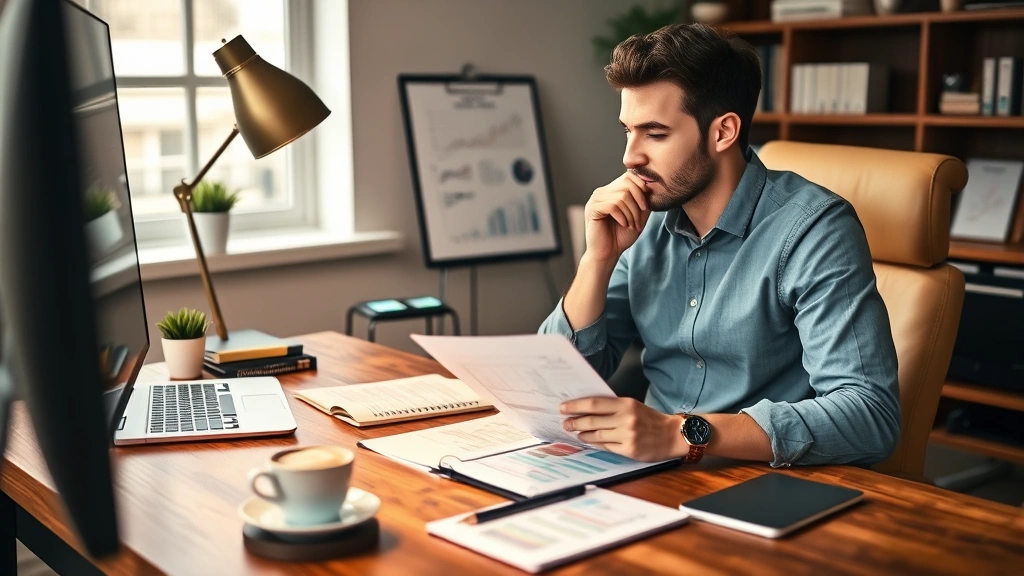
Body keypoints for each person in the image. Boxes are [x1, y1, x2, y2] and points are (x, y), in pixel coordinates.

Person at [539, 23, 900, 468]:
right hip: (650, 473)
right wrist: (598, 259)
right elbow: (554, 386)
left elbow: (869, 415)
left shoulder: (814, 230)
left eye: (654, 134)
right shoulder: (643, 220)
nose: (630, 157)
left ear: (724, 131)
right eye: (627, 131)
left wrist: (681, 433)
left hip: (761, 484)